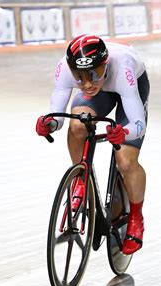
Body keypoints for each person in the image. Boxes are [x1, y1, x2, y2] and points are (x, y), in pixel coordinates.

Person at [35, 34, 149, 255]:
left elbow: (138, 124)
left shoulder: (122, 69)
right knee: (77, 125)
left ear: (105, 65)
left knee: (125, 161)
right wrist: (49, 124)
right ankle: (80, 178)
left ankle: (136, 216)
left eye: (94, 75)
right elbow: (57, 116)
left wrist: (123, 132)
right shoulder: (64, 68)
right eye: (79, 77)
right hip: (104, 91)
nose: (87, 84)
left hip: (130, 87)